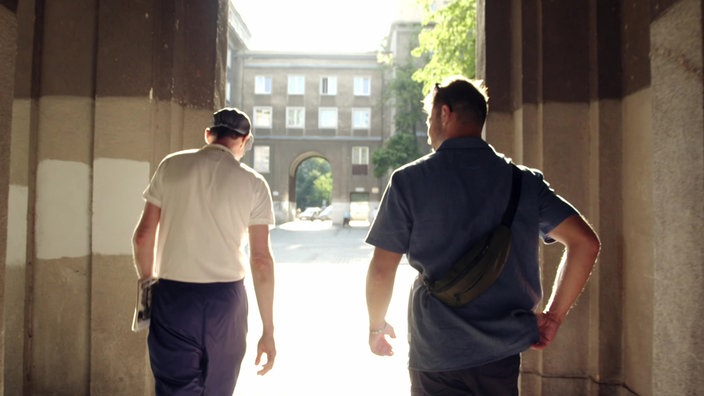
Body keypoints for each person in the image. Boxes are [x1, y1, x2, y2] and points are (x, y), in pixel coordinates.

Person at [365, 76, 600, 395]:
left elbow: (381, 270)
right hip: (501, 353)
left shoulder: (409, 181)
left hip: (436, 352)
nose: (429, 129)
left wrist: (377, 326)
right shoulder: (524, 183)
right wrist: (554, 317)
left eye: (429, 118)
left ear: (444, 113)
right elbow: (585, 243)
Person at [132, 107, 276, 395]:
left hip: (174, 297)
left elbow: (142, 237)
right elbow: (261, 260)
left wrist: (149, 289)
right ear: (246, 141)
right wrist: (268, 330)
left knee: (175, 388)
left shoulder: (171, 166)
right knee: (218, 389)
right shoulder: (254, 184)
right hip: (226, 301)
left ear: (208, 134)